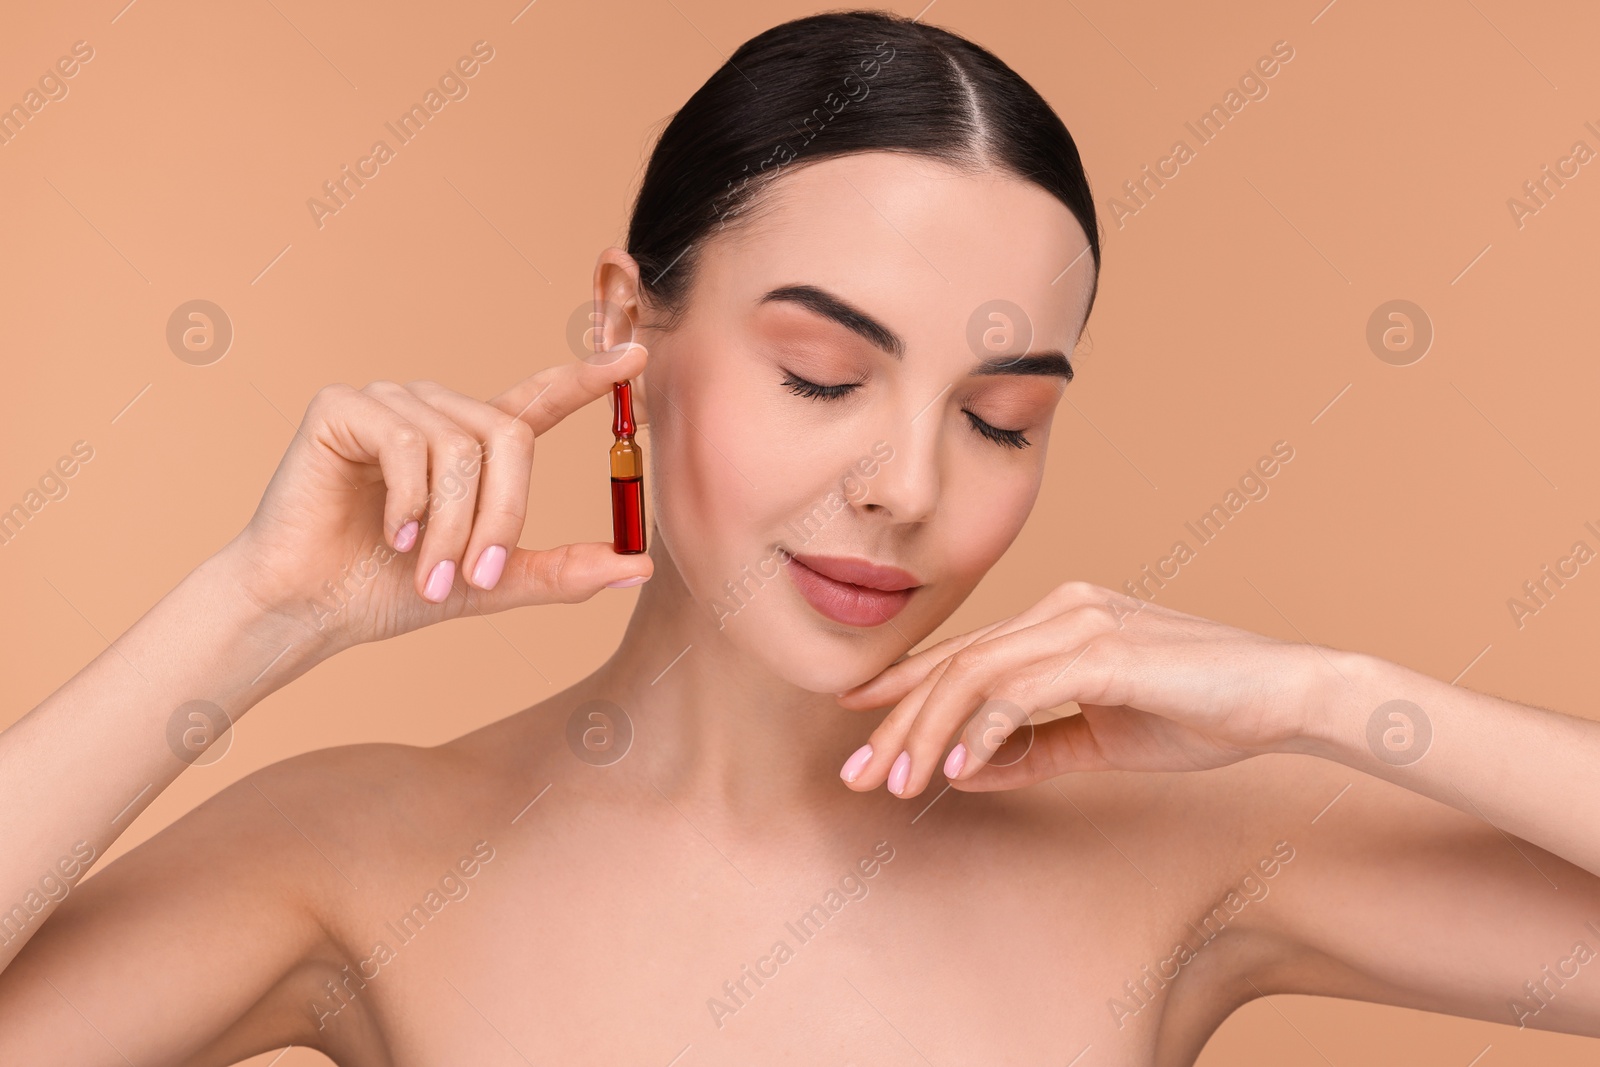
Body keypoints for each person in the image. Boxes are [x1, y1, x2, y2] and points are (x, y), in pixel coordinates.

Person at [3, 9, 1598, 1065]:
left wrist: (1327, 693)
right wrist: (251, 615)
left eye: (1002, 420)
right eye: (823, 373)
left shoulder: (1182, 844)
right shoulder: (356, 852)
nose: (908, 482)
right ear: (633, 326)